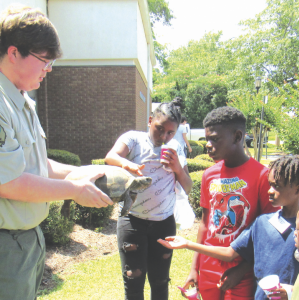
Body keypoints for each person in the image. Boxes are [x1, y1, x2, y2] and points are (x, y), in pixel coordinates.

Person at [0, 5, 113, 300]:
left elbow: (37, 164)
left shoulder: (21, 100)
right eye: (44, 61)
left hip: (28, 239)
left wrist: (84, 172)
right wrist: (73, 189)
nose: (49, 70)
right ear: (13, 53)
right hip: (6, 246)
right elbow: (8, 182)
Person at [159, 155, 299, 300]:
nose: (270, 190)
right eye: (270, 184)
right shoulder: (262, 222)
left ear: (297, 189)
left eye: (277, 186)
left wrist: (291, 292)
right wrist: (187, 244)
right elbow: (229, 253)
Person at [172, 107, 278, 300]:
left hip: (242, 269)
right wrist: (194, 268)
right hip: (208, 266)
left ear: (237, 137)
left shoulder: (262, 175)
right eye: (206, 139)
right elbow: (205, 225)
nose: (208, 145)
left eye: (215, 139)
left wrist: (243, 269)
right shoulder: (209, 175)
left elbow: (268, 233)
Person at [105, 101, 193, 300]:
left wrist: (178, 167)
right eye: (159, 129)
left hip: (163, 223)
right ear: (150, 120)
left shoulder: (176, 148)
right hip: (132, 220)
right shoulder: (133, 139)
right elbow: (111, 157)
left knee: (160, 281)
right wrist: (130, 166)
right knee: (133, 279)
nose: (163, 136)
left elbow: (187, 187)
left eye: (170, 132)